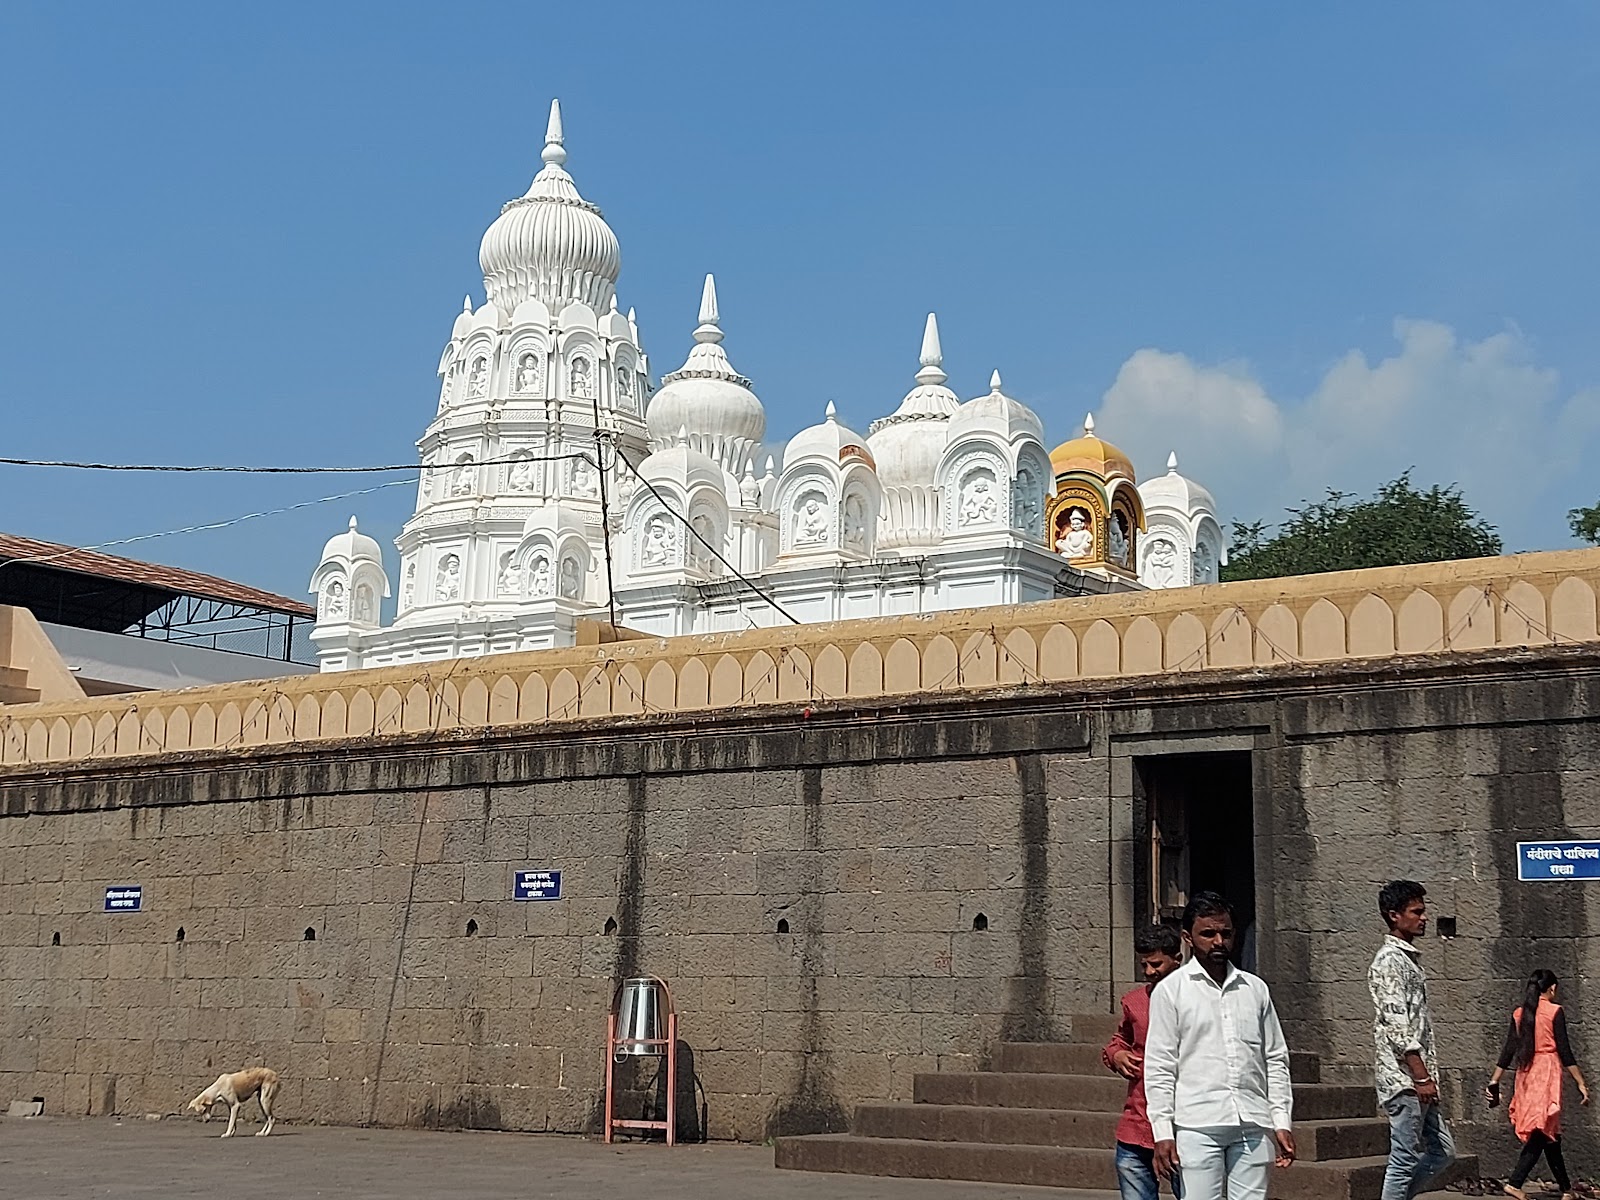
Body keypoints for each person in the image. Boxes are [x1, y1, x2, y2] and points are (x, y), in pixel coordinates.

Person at [1144, 892, 1295, 1200]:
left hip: (1252, 1121)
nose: (1218, 941)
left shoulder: (1254, 989)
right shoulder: (1172, 991)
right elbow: (1159, 1065)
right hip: (1197, 1124)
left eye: (1225, 934)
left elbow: (1275, 1058)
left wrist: (1281, 1120)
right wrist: (1162, 1131)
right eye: (1208, 933)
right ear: (1188, 937)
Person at [1369, 880, 1456, 1200]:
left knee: (1443, 1151)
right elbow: (1397, 1025)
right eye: (1416, 912)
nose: (1423, 917)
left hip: (1420, 1079)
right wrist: (1419, 1076)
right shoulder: (1389, 961)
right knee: (1403, 1158)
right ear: (1394, 916)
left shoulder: (1406, 959)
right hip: (1404, 1079)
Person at [1485, 969, 1589, 1200]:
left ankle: (1566, 1189)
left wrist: (1494, 1081)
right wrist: (1581, 1082)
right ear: (1551, 988)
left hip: (1526, 1073)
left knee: (1550, 1131)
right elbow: (1565, 1050)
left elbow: (1508, 1050)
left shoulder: (1520, 1013)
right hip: (1547, 1071)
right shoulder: (1554, 1012)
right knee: (1542, 1129)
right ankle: (1515, 1183)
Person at [1103, 925, 1186, 1199]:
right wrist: (1117, 1055)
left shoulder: (1195, 999)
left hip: (1183, 1125)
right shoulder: (1135, 1002)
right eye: (1144, 964)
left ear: (1178, 959)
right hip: (1137, 1122)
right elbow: (1119, 1040)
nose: (1150, 971)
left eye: (1156, 963)